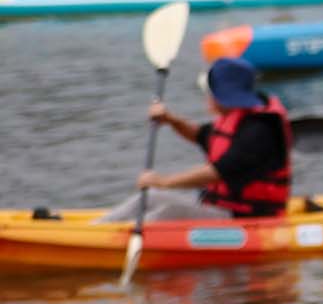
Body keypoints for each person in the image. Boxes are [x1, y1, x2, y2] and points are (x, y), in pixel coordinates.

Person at [113, 57, 293, 223]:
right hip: (222, 209)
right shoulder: (237, 118)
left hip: (249, 218)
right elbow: (201, 135)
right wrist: (171, 120)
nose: (207, 97)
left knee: (170, 212)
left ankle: (116, 239)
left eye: (210, 91)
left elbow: (216, 172)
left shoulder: (259, 131)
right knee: (150, 197)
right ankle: (98, 230)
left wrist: (163, 182)